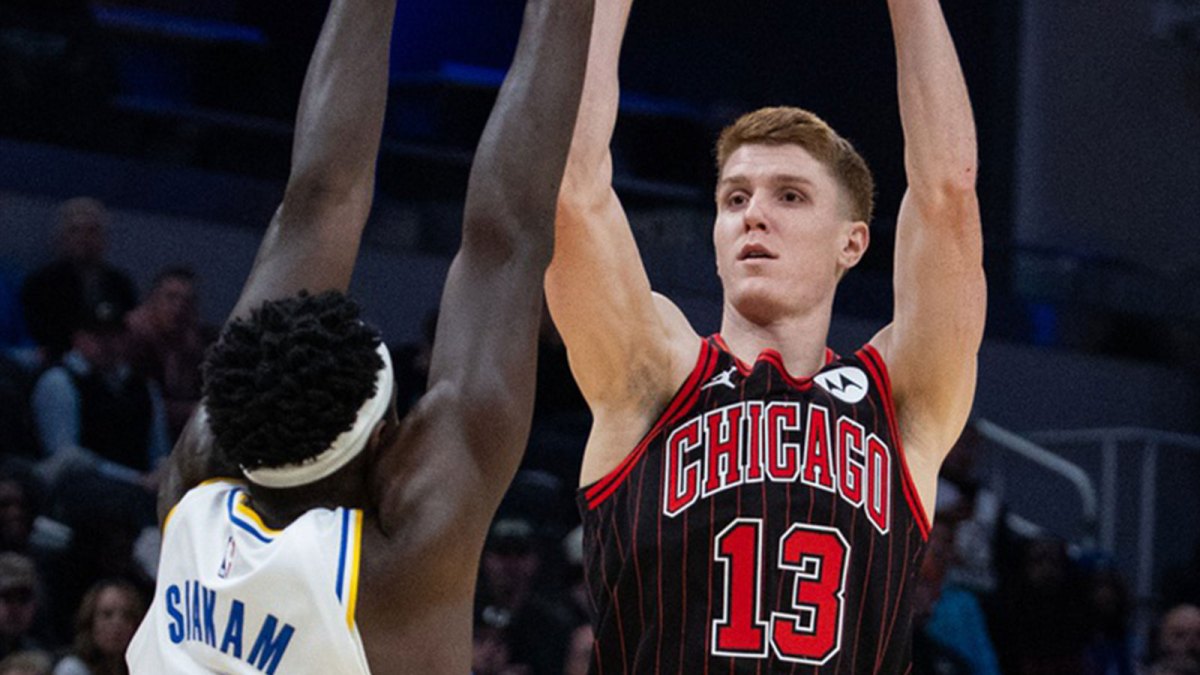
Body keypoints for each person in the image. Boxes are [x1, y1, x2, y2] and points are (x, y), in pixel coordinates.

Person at [124, 0, 593, 672]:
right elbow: (487, 231)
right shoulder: (390, 568)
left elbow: (500, 235)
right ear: (378, 442)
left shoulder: (194, 490)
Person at [545, 0, 985, 671]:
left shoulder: (899, 402)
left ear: (853, 242)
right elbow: (572, 187)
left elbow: (948, 193)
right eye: (735, 198)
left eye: (790, 195)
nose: (754, 214)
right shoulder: (656, 373)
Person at [19, 198, 137, 361]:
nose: (84, 238)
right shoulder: (40, 283)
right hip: (55, 362)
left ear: (104, 239)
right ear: (60, 238)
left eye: (92, 231)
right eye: (75, 230)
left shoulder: (120, 284)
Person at [53, 580, 145, 675]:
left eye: (127, 616)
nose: (117, 624)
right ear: (91, 622)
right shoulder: (72, 669)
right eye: (107, 615)